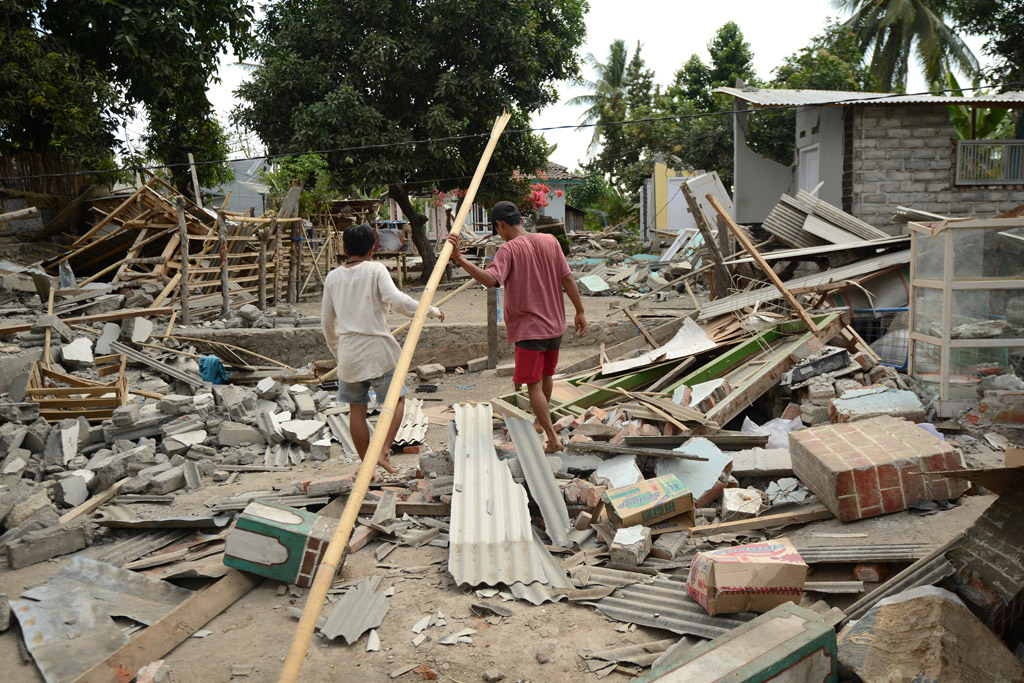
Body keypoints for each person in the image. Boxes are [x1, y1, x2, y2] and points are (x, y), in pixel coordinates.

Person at [447, 201, 586, 453]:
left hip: (529, 329)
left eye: (497, 229)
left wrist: (459, 258)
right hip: (555, 325)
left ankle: (553, 438)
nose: (499, 234)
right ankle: (540, 423)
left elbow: (491, 280)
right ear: (520, 220)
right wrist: (580, 310)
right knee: (547, 375)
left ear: (500, 225)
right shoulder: (550, 241)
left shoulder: (508, 250)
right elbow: (567, 277)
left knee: (533, 384)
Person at [322, 224, 444, 476]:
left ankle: (367, 466)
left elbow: (327, 324)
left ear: (344, 249)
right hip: (378, 352)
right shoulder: (376, 269)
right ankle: (384, 450)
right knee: (396, 399)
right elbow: (398, 301)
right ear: (373, 249)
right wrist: (429, 310)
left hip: (348, 355)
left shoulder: (332, 277)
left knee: (356, 410)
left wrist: (338, 352)